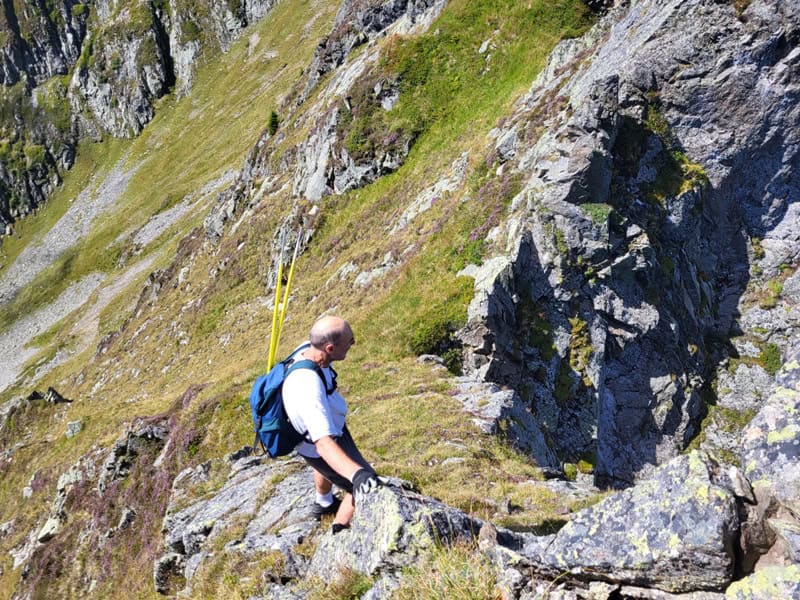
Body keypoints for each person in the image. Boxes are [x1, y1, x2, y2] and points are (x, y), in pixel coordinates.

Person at [282, 315, 379, 533]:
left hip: (332, 428)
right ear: (330, 348)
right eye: (349, 341)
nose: (353, 344)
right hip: (320, 445)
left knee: (333, 468)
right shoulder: (308, 388)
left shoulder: (309, 349)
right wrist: (358, 476)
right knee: (363, 485)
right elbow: (323, 444)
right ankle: (339, 529)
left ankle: (324, 503)